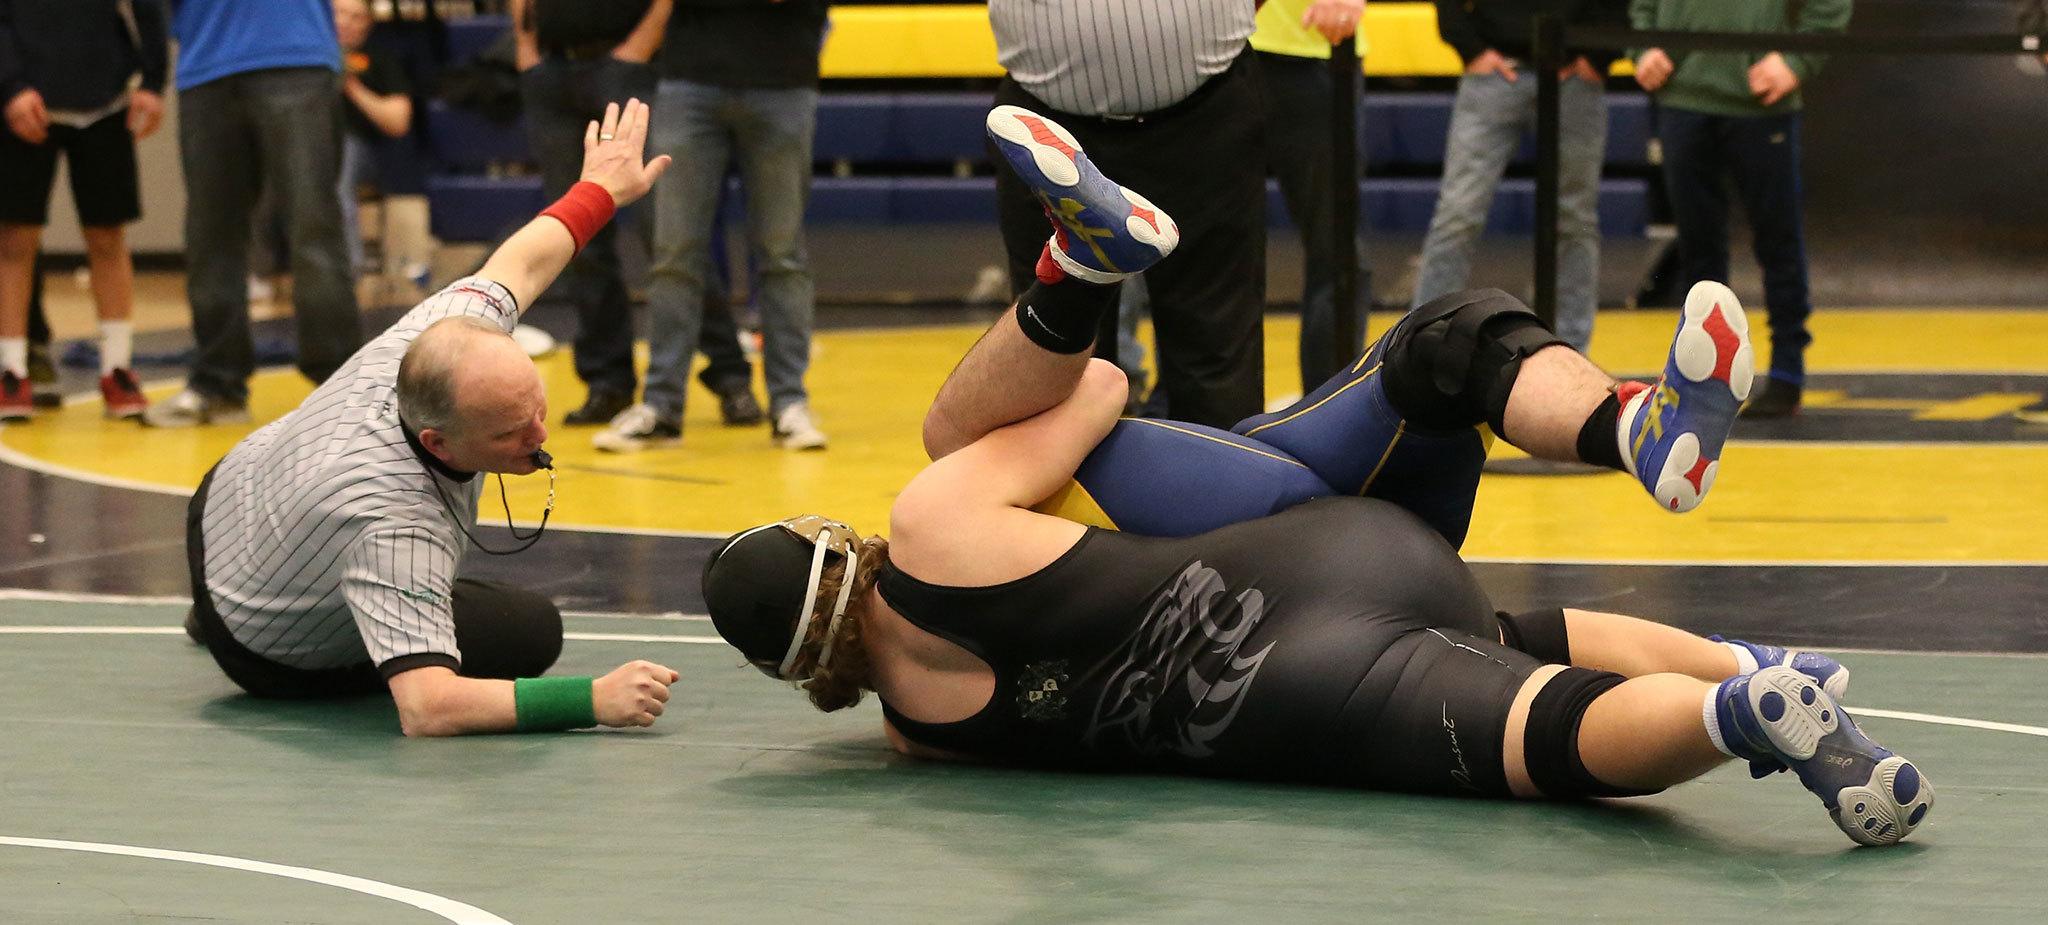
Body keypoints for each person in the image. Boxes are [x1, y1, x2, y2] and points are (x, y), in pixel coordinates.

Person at [699, 109, 1933, 847]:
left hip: (1313, 689)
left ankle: (1742, 713)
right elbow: (1098, 393)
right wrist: (1016, 415)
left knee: (1544, 726)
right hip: (1315, 541)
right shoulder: (927, 527)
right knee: (1449, 342)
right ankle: (1648, 473)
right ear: (832, 543)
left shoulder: (922, 735)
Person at [186, 100, 679, 737]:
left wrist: (600, 189)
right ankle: (240, 618)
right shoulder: (394, 520)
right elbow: (427, 709)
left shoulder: (446, 330)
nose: (539, 436)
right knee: (529, 633)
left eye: (536, 405)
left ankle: (233, 597)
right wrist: (593, 699)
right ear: (436, 442)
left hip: (226, 504)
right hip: (264, 651)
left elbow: (523, 262)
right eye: (508, 432)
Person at [986, 0, 1270, 429]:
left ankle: (1221, 494)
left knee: (1216, 355)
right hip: (1046, 127)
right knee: (1053, 357)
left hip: (1206, 118)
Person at [596, 0, 829, 453]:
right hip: (690, 81)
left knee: (781, 253)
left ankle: (790, 403)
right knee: (674, 253)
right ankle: (661, 406)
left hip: (782, 82)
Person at [145, 0, 365, 427]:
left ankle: (343, 390)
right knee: (211, 235)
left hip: (297, 56)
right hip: (207, 64)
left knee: (314, 229)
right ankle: (217, 383)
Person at [1631, 0, 1852, 418]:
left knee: (1777, 239)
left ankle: (1788, 372)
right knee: (1698, 247)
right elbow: (1640, 5)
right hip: (1684, 98)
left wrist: (1796, 61)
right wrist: (1642, 47)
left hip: (1757, 103)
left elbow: (1830, 5)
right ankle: (1700, 377)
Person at [1412, 0, 1628, 352]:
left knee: (1575, 220)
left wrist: (1597, 57)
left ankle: (1572, 351)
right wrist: (1471, 50)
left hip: (1572, 76)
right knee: (1457, 213)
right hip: (1495, 73)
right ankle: (1419, 346)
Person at [0, 0, 166, 421]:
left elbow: (148, 9)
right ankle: (11, 371)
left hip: (105, 100)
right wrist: (10, 86)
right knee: (16, 237)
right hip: (26, 101)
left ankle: (117, 367)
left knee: (108, 235)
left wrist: (152, 79)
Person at [508, 0, 669, 428]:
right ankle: (607, 382)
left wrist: (641, 44)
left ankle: (726, 372)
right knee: (578, 237)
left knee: (668, 233)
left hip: (624, 65)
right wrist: (526, 44)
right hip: (553, 69)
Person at [333, 0, 414, 278]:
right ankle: (262, 273)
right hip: (308, 145)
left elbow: (399, 122)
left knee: (339, 165)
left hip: (363, 151)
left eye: (356, 17)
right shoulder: (306, 61)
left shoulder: (379, 60)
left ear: (368, 22)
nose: (345, 23)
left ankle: (349, 271)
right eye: (339, 14)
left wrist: (351, 86)